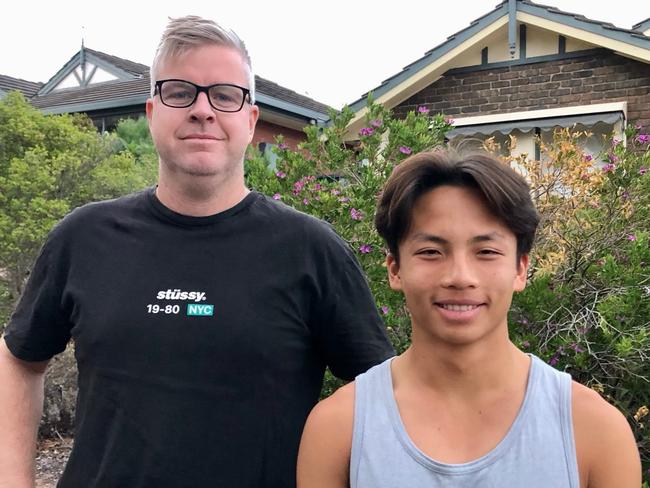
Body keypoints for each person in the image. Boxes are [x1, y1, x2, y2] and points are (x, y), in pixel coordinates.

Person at [0, 16, 394, 488]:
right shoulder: (83, 237)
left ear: (249, 121)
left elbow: (378, 399)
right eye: (180, 92)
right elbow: (19, 359)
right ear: (152, 113)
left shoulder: (312, 251)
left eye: (225, 94)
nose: (202, 110)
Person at [297, 149, 641, 488]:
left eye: (486, 252)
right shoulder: (338, 428)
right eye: (431, 252)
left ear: (521, 269)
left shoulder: (595, 431)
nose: (460, 277)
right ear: (395, 269)